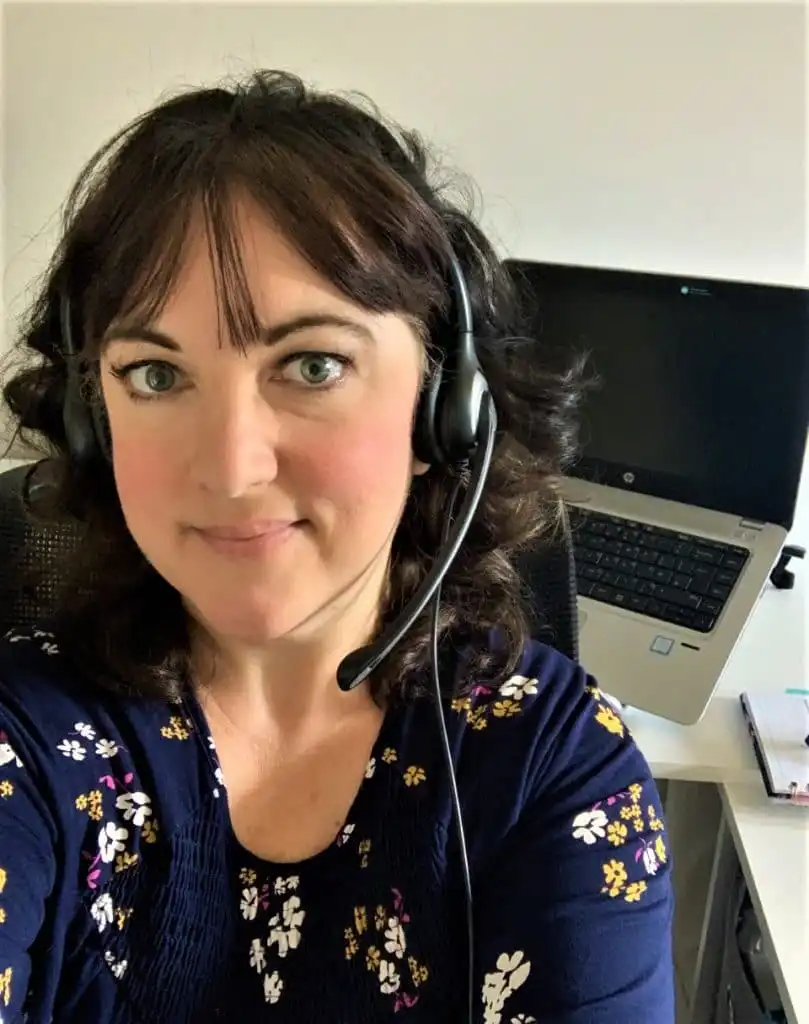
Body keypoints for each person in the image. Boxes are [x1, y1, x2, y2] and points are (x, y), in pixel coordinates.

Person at [0, 70, 674, 1023]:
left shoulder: (549, 768)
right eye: (155, 373)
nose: (231, 469)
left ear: (444, 412)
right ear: (89, 419)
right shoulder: (25, 744)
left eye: (312, 365)